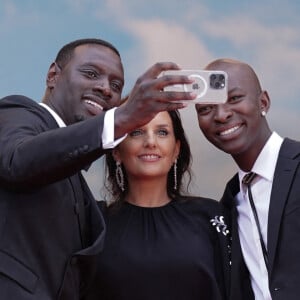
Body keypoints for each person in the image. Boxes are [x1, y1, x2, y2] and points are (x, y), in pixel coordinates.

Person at [0, 38, 197, 300]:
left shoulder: (78, 184)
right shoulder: (18, 111)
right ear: (52, 75)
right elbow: (17, 160)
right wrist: (121, 119)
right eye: (91, 74)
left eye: (116, 85)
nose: (105, 88)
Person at [86, 110, 230, 300]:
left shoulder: (211, 217)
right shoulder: (95, 223)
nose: (151, 142)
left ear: (176, 150)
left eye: (162, 132)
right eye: (136, 132)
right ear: (116, 151)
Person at [195, 58, 300, 300]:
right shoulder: (231, 200)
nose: (221, 115)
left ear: (263, 102)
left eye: (234, 99)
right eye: (206, 109)